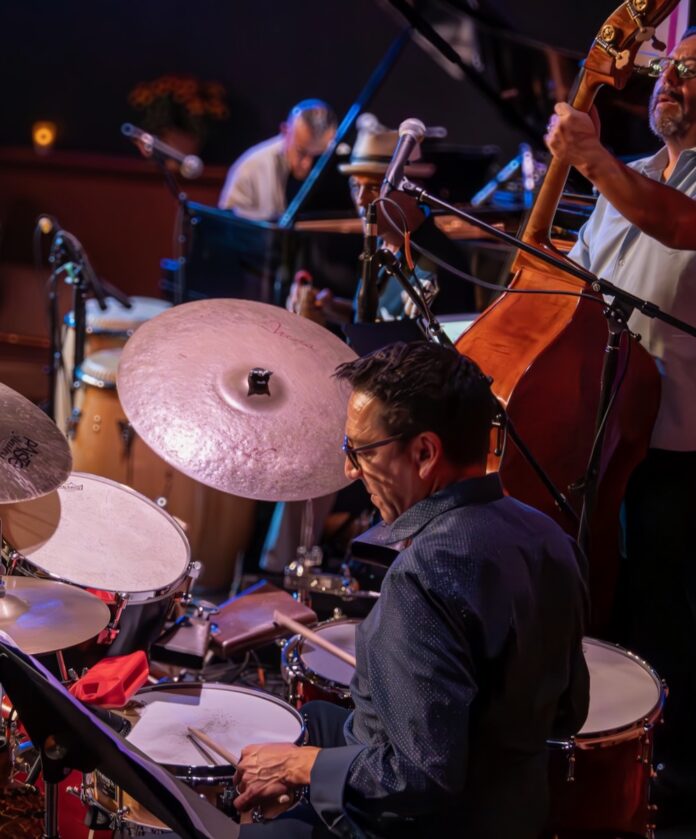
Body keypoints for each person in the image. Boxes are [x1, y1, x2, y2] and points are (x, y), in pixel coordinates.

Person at [234, 342, 589, 838]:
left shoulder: (422, 576)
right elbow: (570, 712)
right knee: (314, 716)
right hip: (516, 809)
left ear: (424, 453)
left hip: (431, 825)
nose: (350, 470)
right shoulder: (551, 538)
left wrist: (302, 767)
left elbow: (419, 777)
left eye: (360, 451)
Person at [545, 27, 696, 815]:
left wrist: (591, 157)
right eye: (669, 67)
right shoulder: (630, 175)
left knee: (670, 615)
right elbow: (571, 280)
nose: (671, 79)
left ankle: (675, 776)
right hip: (601, 433)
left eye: (691, 72)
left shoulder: (634, 182)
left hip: (678, 442)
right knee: (611, 604)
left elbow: (677, 225)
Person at [288, 117, 476, 325]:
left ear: (413, 189)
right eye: (355, 187)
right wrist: (330, 308)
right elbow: (376, 323)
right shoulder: (380, 244)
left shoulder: (440, 267)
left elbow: (434, 343)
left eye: (374, 188)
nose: (361, 200)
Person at [218, 99, 337, 221]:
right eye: (301, 152)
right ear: (285, 132)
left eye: (318, 156)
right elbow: (228, 223)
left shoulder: (337, 166)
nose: (307, 164)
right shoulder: (252, 167)